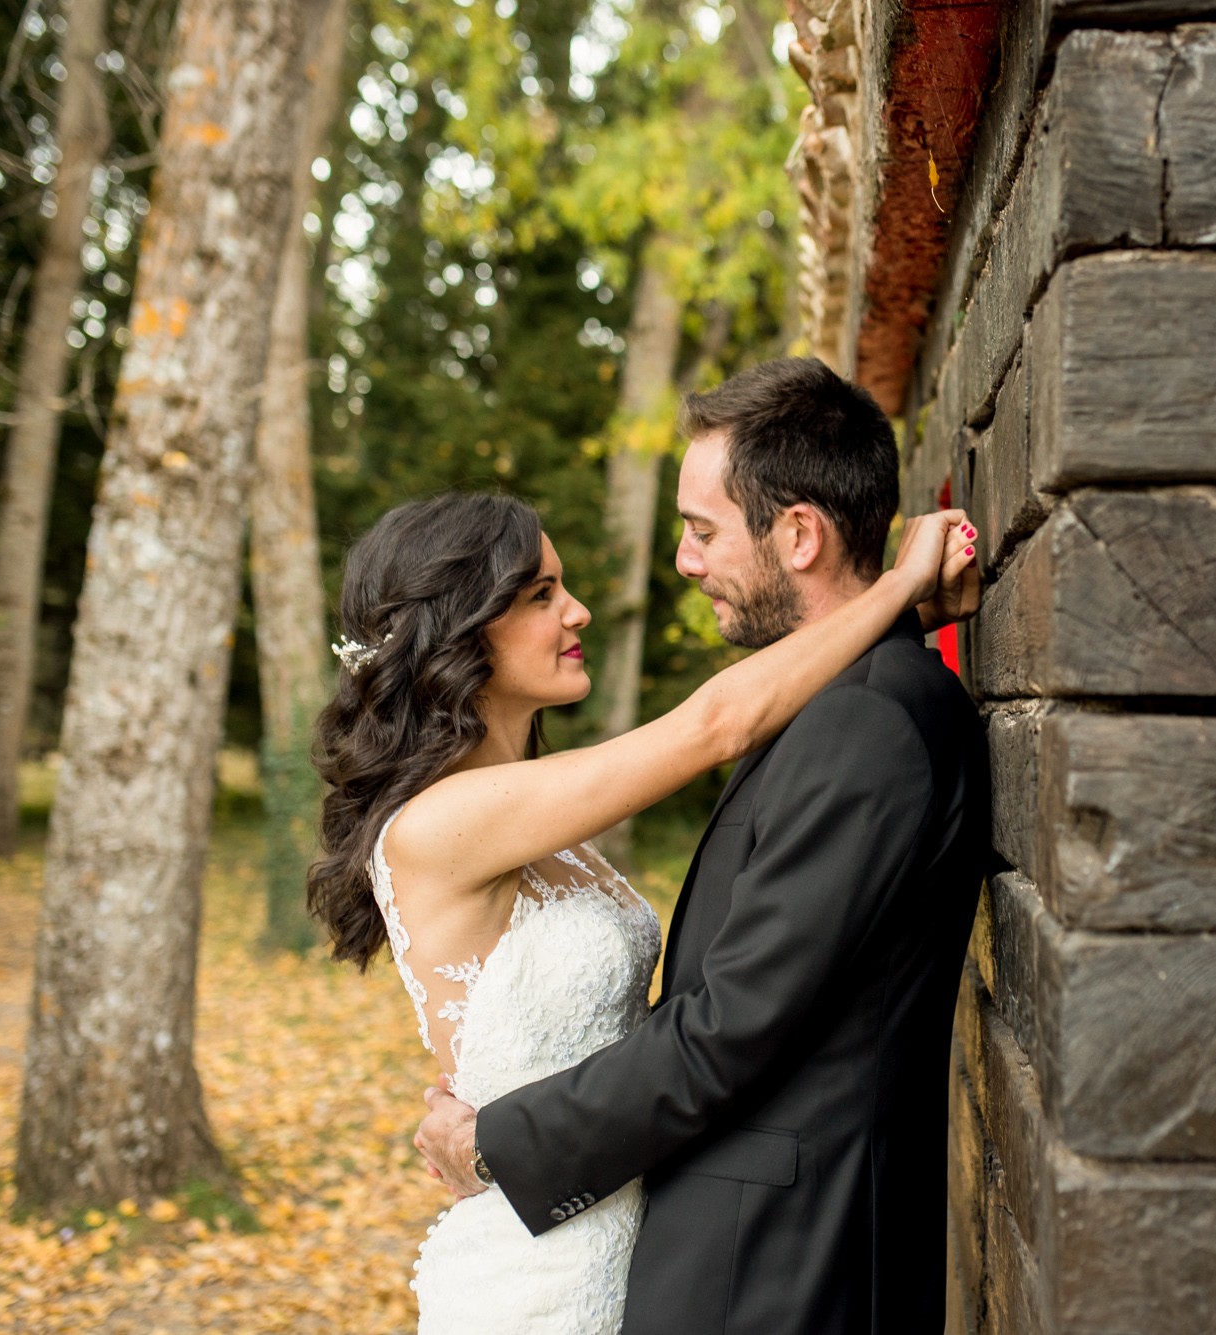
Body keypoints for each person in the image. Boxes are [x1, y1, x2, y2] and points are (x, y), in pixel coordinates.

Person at [308, 369, 982, 1335]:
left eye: (702, 530)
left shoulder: (548, 812)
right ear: (464, 634)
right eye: (543, 594)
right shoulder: (443, 822)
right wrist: (903, 587)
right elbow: (717, 723)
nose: (580, 609)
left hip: (646, 1228)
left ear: (796, 535)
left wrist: (895, 612)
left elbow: (717, 1017)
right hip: (550, 1260)